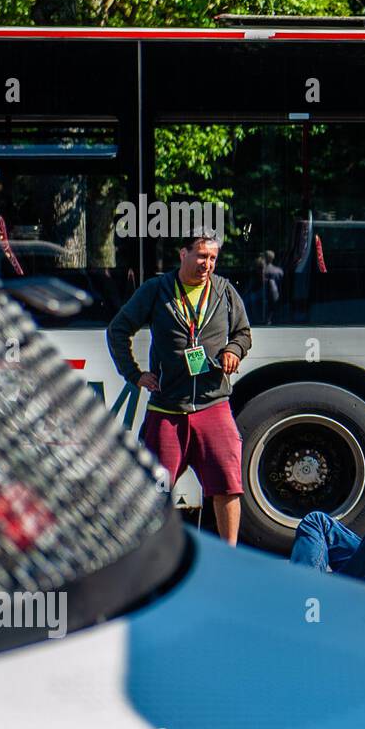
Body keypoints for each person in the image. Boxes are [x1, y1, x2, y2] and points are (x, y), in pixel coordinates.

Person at [107, 229, 251, 545]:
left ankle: (230, 557)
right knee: (153, 490)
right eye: (201, 256)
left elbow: (243, 333)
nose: (207, 264)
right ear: (182, 254)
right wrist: (134, 374)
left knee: (228, 486)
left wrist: (233, 351)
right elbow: (118, 330)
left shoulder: (225, 292)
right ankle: (150, 559)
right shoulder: (156, 290)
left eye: (213, 258)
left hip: (214, 406)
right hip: (166, 408)